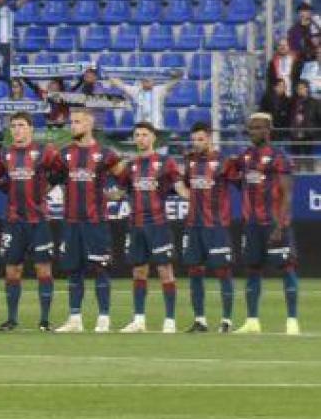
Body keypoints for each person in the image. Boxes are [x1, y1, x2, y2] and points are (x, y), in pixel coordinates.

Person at [48, 107, 120, 334]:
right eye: (72, 122)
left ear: (89, 124)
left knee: (100, 268)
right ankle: (75, 318)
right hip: (71, 221)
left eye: (77, 122)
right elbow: (52, 181)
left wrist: (115, 194)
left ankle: (104, 318)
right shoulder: (64, 154)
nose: (73, 126)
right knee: (74, 270)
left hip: (95, 221)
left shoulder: (106, 154)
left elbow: (125, 178)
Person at [0, 113, 60, 331]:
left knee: (43, 270)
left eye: (21, 125)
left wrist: (49, 185)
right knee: (12, 271)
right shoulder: (6, 153)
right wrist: (4, 188)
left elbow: (62, 172)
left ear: (30, 129)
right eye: (13, 126)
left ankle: (45, 320)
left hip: (39, 220)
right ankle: (11, 320)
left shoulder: (44, 152)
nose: (17, 130)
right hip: (13, 221)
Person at [111, 122, 185, 334]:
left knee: (165, 271)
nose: (141, 138)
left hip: (158, 224)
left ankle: (170, 320)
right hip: (136, 225)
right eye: (137, 135)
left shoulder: (165, 163)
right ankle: (139, 320)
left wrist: (192, 196)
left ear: (153, 138)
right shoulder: (131, 166)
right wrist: (107, 194)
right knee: (139, 272)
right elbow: (121, 191)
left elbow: (179, 187)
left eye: (145, 134)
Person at [237, 113, 300, 335]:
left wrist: (280, 225)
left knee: (287, 267)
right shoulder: (245, 157)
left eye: (258, 127)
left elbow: (287, 194)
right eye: (251, 127)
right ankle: (252, 321)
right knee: (252, 268)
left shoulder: (279, 157)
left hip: (273, 223)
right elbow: (238, 182)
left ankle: (292, 321)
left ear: (268, 130)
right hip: (252, 224)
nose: (253, 131)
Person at [180, 122, 239, 333]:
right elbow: (185, 185)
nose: (196, 143)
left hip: (216, 226)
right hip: (193, 226)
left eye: (201, 139)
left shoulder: (224, 162)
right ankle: (200, 320)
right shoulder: (189, 161)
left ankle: (226, 321)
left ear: (210, 139)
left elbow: (239, 184)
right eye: (194, 139)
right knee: (195, 271)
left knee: (223, 271)